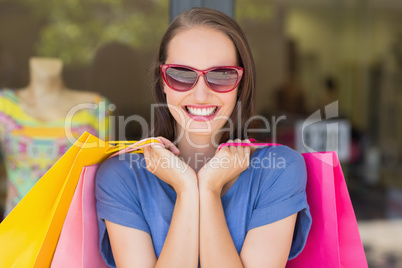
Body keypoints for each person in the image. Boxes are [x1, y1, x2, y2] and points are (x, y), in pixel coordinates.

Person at [95, 7, 311, 267]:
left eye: (221, 75)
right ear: (162, 82)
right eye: (182, 74)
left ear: (241, 83)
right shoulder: (121, 175)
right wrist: (187, 189)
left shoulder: (278, 168)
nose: (200, 95)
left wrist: (208, 190)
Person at [0, 57, 111, 216]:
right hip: (17, 228)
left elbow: (107, 175)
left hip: (73, 225)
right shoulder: (3, 105)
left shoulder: (97, 108)